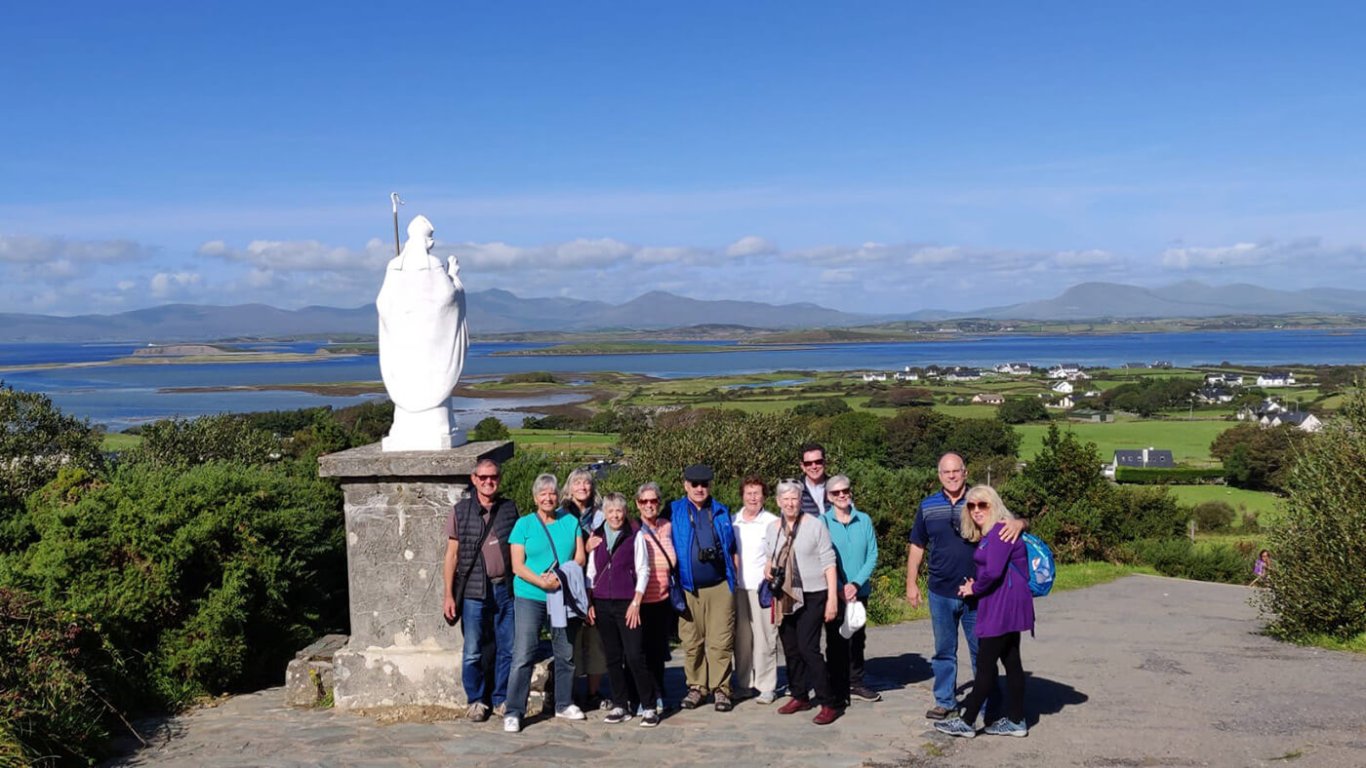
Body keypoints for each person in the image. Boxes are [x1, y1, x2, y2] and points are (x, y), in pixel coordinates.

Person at [906, 452, 1025, 721]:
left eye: (956, 471)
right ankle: (945, 701)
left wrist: (1021, 522)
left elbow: (1010, 523)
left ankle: (988, 703)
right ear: (939, 475)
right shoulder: (928, 506)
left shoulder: (979, 500)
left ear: (965, 472)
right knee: (944, 650)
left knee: (981, 652)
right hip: (940, 590)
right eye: (946, 472)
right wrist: (911, 583)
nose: (951, 476)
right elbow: (917, 545)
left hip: (979, 593)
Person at [935, 485, 1035, 739]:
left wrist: (974, 588)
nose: (976, 510)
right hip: (1010, 604)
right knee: (1012, 661)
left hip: (1001, 606)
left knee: (985, 665)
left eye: (983, 505)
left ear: (994, 505)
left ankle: (967, 722)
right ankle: (1016, 720)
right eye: (971, 505)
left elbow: (992, 572)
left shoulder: (1001, 531)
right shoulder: (995, 531)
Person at [375, 214, 469, 451]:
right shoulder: (433, 264)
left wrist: (399, 318)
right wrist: (455, 277)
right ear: (427, 241)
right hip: (431, 342)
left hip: (404, 341)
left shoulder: (394, 265)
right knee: (431, 377)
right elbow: (448, 297)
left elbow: (383, 303)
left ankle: (406, 428)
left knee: (410, 377)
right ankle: (437, 426)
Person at [503, 474, 587, 733]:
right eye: (543, 494)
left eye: (552, 493)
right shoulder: (524, 525)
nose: (548, 498)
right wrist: (542, 583)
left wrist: (560, 577)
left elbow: (580, 557)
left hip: (561, 595)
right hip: (531, 595)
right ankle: (514, 710)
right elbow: (517, 566)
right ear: (535, 498)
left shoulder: (571, 522)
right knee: (524, 653)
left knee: (565, 652)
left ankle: (563, 703)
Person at [442, 458, 518, 722]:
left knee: (507, 647)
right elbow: (451, 556)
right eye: (483, 477)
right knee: (473, 649)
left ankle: (500, 699)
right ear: (474, 479)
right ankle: (476, 700)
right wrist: (448, 595)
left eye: (493, 476)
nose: (489, 481)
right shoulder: (460, 511)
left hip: (506, 589)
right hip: (475, 592)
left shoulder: (509, 509)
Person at [767, 480, 843, 725]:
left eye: (795, 499)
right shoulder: (772, 528)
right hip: (785, 595)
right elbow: (770, 558)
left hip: (813, 593)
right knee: (790, 648)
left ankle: (828, 702)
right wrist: (768, 572)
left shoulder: (815, 526)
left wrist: (832, 599)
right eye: (785, 499)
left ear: (801, 501)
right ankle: (799, 694)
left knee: (808, 648)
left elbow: (829, 562)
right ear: (778, 502)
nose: (790, 503)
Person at [669, 464, 739, 712]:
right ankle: (697, 686)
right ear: (685, 485)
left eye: (704, 484)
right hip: (688, 587)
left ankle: (721, 689)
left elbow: (732, 548)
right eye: (694, 484)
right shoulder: (674, 510)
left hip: (720, 585)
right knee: (692, 641)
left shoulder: (720, 510)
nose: (700, 488)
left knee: (721, 641)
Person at [586, 493, 660, 727]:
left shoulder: (634, 535)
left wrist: (636, 602)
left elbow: (643, 569)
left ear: (625, 512)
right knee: (613, 657)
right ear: (604, 514)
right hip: (602, 602)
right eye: (611, 511)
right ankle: (621, 704)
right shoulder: (596, 537)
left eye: (619, 511)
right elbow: (590, 572)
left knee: (635, 655)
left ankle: (648, 706)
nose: (615, 515)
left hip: (627, 603)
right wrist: (589, 601)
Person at [822, 474, 880, 703]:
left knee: (857, 638)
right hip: (834, 592)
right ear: (829, 497)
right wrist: (838, 587)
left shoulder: (863, 520)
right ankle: (836, 684)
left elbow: (872, 554)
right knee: (836, 640)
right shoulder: (822, 522)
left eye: (845, 490)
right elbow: (822, 557)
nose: (842, 495)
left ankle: (856, 682)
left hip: (859, 590)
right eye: (836, 492)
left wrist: (855, 584)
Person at [562, 468, 608, 709]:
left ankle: (593, 692)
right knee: (569, 640)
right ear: (569, 489)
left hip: (595, 585)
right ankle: (567, 693)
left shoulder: (602, 516)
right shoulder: (559, 516)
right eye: (577, 483)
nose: (582, 487)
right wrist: (584, 547)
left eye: (586, 483)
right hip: (568, 587)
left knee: (595, 640)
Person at [732, 475, 780, 704]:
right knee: (741, 641)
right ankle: (743, 683)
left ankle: (766, 685)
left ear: (764, 497)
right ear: (742, 495)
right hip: (738, 588)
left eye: (757, 493)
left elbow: (780, 554)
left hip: (762, 589)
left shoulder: (772, 522)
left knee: (765, 638)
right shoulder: (733, 521)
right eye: (749, 493)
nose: (753, 497)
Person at [635, 481, 675, 711]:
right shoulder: (633, 529)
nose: (649, 505)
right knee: (640, 653)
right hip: (640, 601)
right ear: (637, 504)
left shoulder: (667, 526)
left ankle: (658, 693)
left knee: (658, 652)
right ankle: (645, 697)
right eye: (644, 501)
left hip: (663, 599)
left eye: (653, 501)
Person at [798, 442, 830, 517]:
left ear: (824, 463)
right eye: (808, 463)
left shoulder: (837, 488)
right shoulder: (795, 490)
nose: (814, 466)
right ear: (802, 466)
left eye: (818, 462)